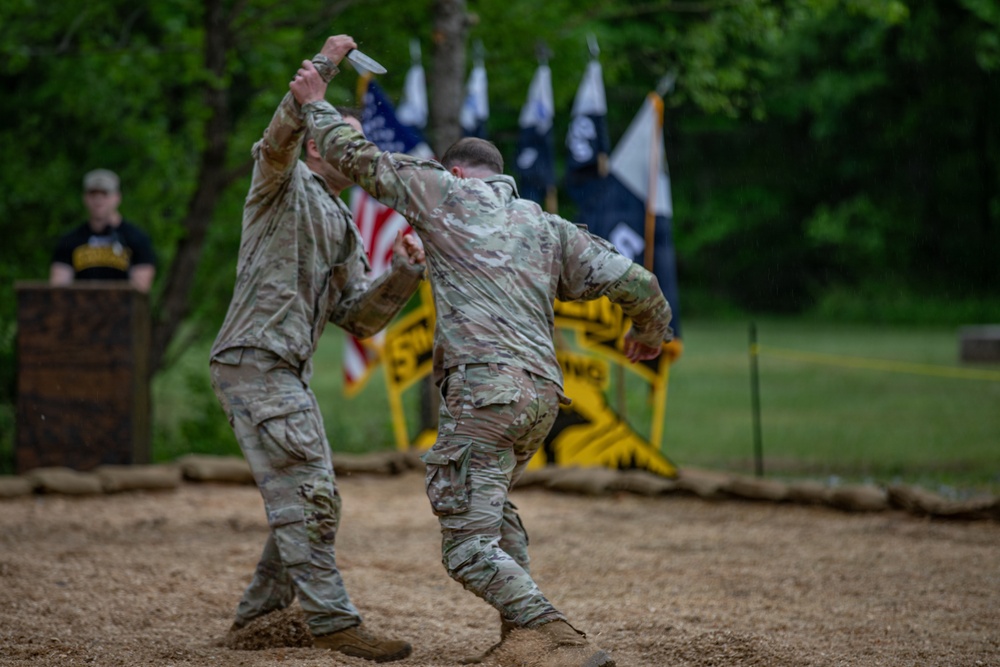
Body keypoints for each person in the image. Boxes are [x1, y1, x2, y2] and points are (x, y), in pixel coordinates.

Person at [291, 44, 673, 667]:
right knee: (494, 515)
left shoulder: (446, 194)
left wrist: (314, 106)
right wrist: (650, 333)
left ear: (454, 172)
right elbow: (638, 282)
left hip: (487, 395)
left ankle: (555, 636)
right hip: (541, 400)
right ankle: (519, 642)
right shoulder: (545, 225)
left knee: (466, 547)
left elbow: (357, 159)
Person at [209, 36, 424, 663]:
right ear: (314, 141)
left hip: (282, 370)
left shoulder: (344, 223)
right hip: (255, 359)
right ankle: (332, 621)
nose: (357, 149)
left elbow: (359, 319)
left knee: (313, 491)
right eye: (334, 131)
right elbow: (277, 135)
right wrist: (323, 69)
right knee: (314, 493)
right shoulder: (280, 181)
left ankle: (258, 623)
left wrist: (404, 274)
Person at [50, 169, 157, 293]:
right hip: (82, 309)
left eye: (104, 194)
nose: (98, 200)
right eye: (93, 194)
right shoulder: (70, 240)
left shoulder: (136, 238)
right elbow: (58, 287)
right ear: (85, 198)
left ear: (117, 197)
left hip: (122, 309)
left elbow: (141, 289)